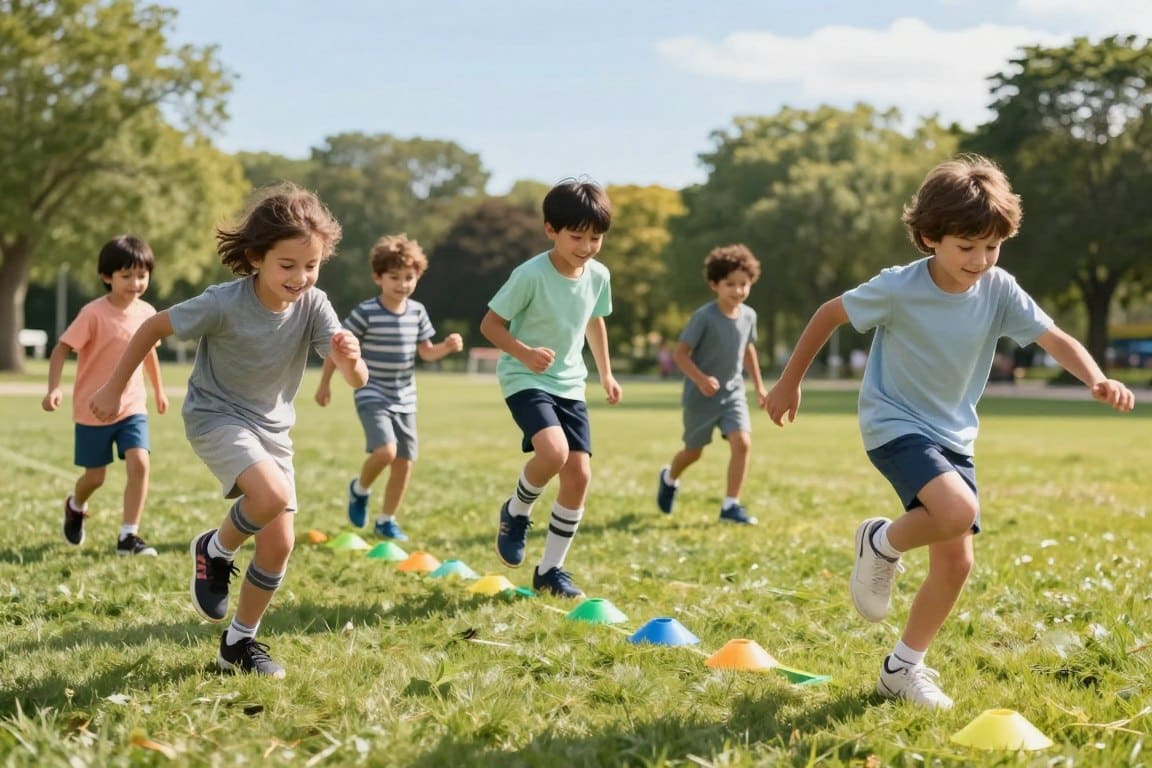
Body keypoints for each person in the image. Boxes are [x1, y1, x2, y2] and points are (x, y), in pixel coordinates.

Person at [765, 154, 1135, 710]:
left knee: (957, 562)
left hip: (954, 434)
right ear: (929, 237)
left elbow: (1054, 337)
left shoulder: (1000, 289)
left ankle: (901, 668)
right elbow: (828, 314)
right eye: (967, 247)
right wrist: (789, 383)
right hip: (894, 423)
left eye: (992, 246)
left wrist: (1097, 376)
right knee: (957, 511)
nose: (981, 260)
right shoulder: (898, 288)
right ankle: (880, 542)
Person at [90, 183, 368, 677]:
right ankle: (214, 549)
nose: (301, 277)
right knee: (271, 495)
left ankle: (237, 645)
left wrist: (352, 360)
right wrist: (114, 388)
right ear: (256, 257)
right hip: (216, 415)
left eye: (312, 266)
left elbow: (353, 376)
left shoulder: (315, 304)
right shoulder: (223, 302)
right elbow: (152, 328)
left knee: (280, 543)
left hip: (272, 430)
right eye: (288, 265)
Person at [479, 178, 622, 598]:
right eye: (576, 236)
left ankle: (551, 572)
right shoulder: (530, 275)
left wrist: (606, 373)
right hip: (525, 378)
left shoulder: (598, 275)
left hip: (570, 384)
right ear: (550, 230)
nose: (586, 246)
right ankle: (517, 510)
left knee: (579, 475)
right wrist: (523, 353)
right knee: (554, 453)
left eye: (595, 238)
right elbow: (490, 325)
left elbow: (595, 320)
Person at [314, 233, 463, 541]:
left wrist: (446, 347)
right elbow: (338, 348)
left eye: (409, 277)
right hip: (372, 391)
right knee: (385, 451)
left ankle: (386, 520)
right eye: (394, 277)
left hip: (405, 396)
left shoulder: (418, 312)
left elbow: (426, 352)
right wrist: (325, 383)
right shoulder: (366, 312)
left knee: (404, 461)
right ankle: (360, 490)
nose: (402, 284)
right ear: (378, 278)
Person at [42, 235, 169, 556]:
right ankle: (75, 505)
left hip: (132, 407)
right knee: (95, 477)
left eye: (142, 275)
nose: (135, 283)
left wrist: (159, 390)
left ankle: (129, 536)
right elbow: (61, 349)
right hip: (93, 409)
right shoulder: (93, 313)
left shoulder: (148, 313)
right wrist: (54, 387)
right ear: (106, 277)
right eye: (126, 276)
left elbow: (149, 354)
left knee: (140, 462)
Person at [656, 244, 767, 524]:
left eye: (744, 284)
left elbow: (747, 350)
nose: (738, 291)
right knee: (693, 452)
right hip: (700, 396)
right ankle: (669, 477)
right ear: (714, 284)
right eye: (730, 284)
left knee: (742, 443)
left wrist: (759, 386)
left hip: (733, 394)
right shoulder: (704, 317)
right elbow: (681, 354)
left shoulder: (749, 316)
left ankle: (731, 505)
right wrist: (701, 379)